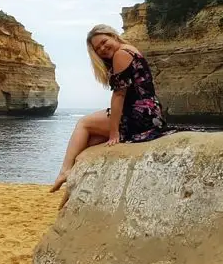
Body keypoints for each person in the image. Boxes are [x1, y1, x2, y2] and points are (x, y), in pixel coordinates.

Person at [49, 24, 170, 193]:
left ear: (113, 35)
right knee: (89, 143)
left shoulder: (121, 53)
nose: (103, 48)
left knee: (83, 123)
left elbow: (119, 95)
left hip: (139, 114)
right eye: (97, 48)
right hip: (150, 112)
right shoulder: (130, 49)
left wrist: (114, 133)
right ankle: (73, 190)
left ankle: (64, 171)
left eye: (104, 42)